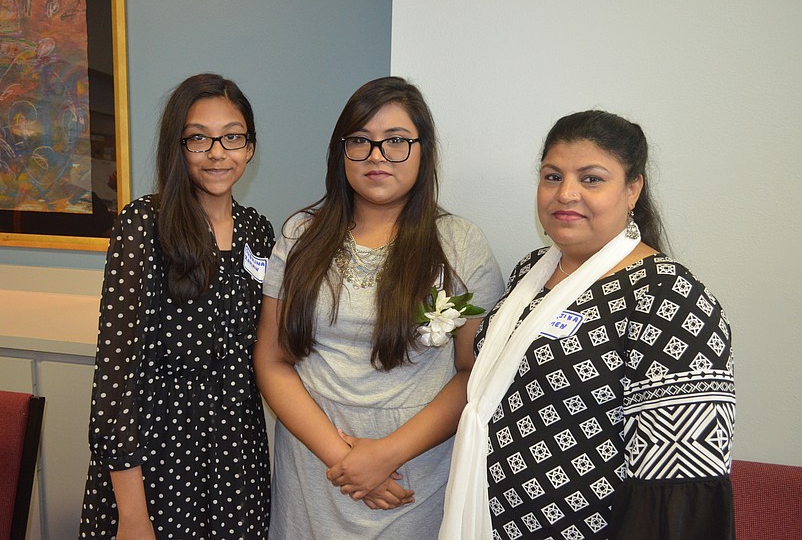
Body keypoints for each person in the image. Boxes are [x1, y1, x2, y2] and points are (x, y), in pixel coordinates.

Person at [440, 110, 736, 540]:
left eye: (592, 179)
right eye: (552, 176)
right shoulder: (530, 274)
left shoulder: (667, 297)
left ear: (633, 189)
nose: (566, 194)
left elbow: (679, 485)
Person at [254, 77, 504, 539]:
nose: (376, 157)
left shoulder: (459, 243)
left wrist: (385, 455)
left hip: (414, 473)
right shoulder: (300, 234)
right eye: (360, 142)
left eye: (395, 142)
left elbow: (474, 372)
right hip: (316, 468)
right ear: (340, 151)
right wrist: (342, 458)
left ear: (422, 150)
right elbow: (272, 360)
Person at [79, 73, 274, 539]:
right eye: (198, 138)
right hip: (156, 463)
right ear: (178, 146)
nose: (216, 152)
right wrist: (131, 513)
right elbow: (115, 377)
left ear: (249, 147)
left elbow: (272, 353)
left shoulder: (259, 231)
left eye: (231, 137)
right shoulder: (144, 223)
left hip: (236, 460)